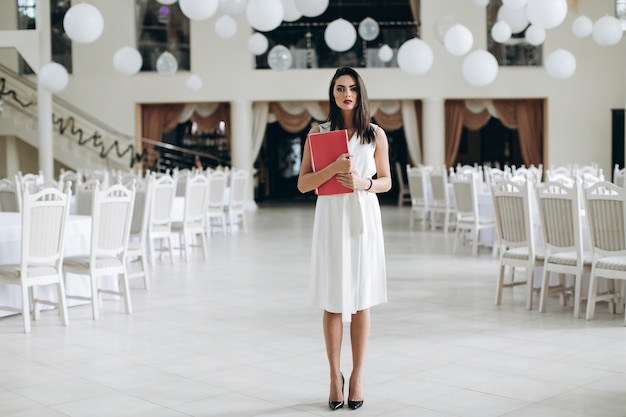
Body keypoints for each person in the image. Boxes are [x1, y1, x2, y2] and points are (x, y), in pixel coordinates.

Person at [297, 67, 391, 411]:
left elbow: (386, 182)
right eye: (339, 88)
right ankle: (333, 375)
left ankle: (358, 376)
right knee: (333, 301)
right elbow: (304, 184)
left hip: (362, 215)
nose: (346, 94)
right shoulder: (318, 133)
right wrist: (333, 168)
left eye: (351, 88)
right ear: (332, 94)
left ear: (360, 92)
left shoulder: (374, 134)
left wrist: (364, 183)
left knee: (362, 299)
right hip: (331, 216)